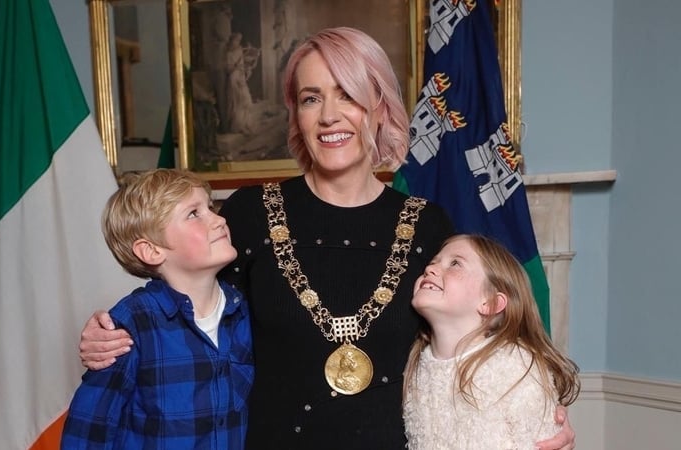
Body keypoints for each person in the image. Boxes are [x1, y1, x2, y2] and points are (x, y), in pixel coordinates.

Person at [77, 27, 576, 449]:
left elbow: (484, 343)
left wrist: (541, 413)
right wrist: (115, 336)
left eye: (348, 95)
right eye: (312, 98)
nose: (329, 115)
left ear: (379, 107)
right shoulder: (248, 215)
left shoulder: (429, 225)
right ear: (296, 114)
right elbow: (190, 317)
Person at [61, 169, 254, 449]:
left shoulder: (244, 311)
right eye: (194, 214)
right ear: (152, 251)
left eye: (210, 208)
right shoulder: (132, 324)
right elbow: (89, 432)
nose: (219, 219)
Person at [403, 234, 580, 448]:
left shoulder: (517, 368)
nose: (429, 269)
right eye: (433, 262)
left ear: (491, 303)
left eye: (455, 263)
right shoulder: (418, 368)